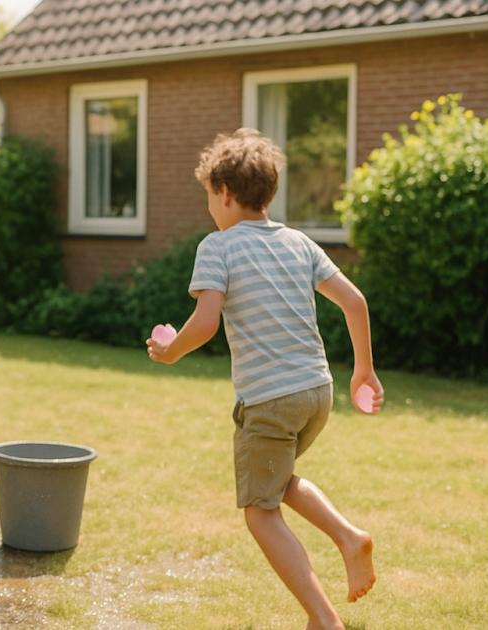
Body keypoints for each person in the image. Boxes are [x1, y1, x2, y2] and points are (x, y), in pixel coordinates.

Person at [147, 129, 381, 629]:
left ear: (225, 193)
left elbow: (206, 322)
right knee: (278, 480)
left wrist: (169, 351)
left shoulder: (219, 247)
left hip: (271, 398)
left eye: (210, 195)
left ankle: (324, 618)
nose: (210, 205)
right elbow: (355, 302)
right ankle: (347, 535)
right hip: (317, 391)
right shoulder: (299, 243)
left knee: (259, 509)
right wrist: (364, 368)